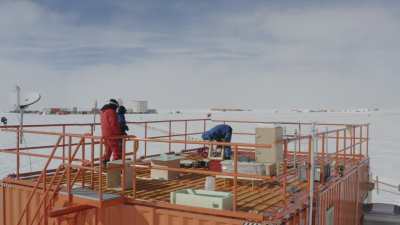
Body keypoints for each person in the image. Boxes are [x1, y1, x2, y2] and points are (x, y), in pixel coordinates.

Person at [100, 99, 121, 163]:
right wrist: (119, 133)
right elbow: (114, 124)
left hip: (105, 134)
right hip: (112, 135)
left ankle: (104, 165)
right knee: (116, 152)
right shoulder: (112, 112)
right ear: (114, 105)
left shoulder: (103, 111)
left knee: (107, 150)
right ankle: (115, 169)